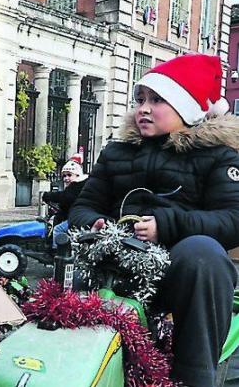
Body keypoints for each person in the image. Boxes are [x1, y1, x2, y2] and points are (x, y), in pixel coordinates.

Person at [69, 54, 239, 387]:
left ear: (187, 106)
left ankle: (194, 379)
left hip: (180, 274)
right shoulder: (116, 152)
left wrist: (167, 225)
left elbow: (233, 218)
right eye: (140, 99)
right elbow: (82, 207)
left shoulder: (219, 155)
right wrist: (98, 224)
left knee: (202, 252)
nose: (143, 108)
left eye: (158, 100)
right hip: (116, 267)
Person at [42, 153, 88, 241]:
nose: (66, 178)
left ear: (77, 175)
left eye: (69, 175)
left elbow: (65, 196)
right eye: (64, 175)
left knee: (58, 229)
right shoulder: (81, 185)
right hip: (79, 215)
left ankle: (58, 252)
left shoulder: (77, 186)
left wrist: (48, 196)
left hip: (79, 218)